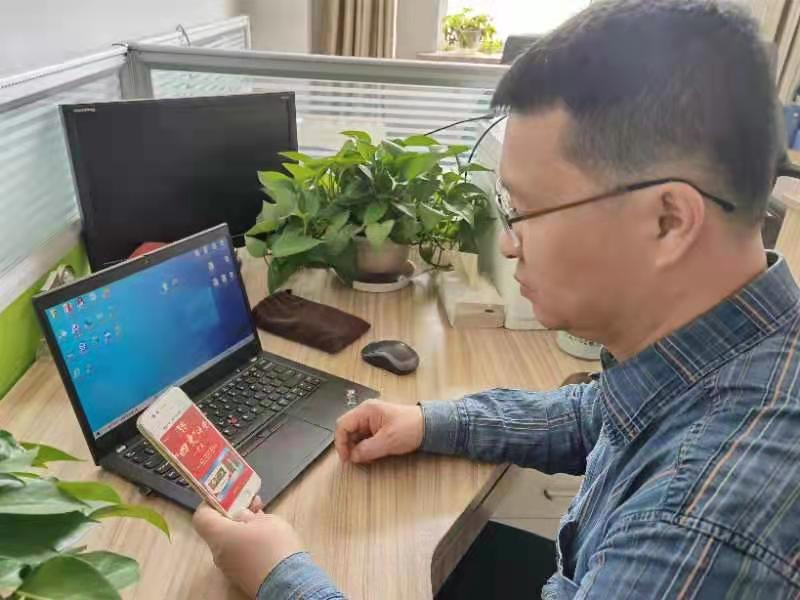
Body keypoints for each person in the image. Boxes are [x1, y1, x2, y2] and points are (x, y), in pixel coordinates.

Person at [192, 0, 800, 597]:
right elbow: (599, 416)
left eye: (526, 211)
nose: (509, 244)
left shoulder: (699, 521)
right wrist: (428, 421)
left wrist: (279, 576)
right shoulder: (724, 358)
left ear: (668, 222)